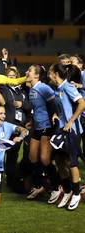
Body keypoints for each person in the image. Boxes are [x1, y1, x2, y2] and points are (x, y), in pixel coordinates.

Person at [48, 63, 85, 210]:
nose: (49, 74)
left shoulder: (68, 87)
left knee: (71, 162)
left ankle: (76, 193)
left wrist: (70, 121)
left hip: (72, 130)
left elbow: (82, 104)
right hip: (61, 130)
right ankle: (68, 190)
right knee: (59, 159)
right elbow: (64, 108)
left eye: (50, 72)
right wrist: (57, 115)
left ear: (56, 73)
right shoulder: (59, 89)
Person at [25, 64, 59, 202]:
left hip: (47, 127)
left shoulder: (43, 88)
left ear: (37, 76)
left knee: (45, 159)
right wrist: (32, 122)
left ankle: (57, 188)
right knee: (33, 157)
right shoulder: (32, 89)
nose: (27, 72)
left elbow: (54, 104)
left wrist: (55, 117)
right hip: (37, 127)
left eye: (30, 71)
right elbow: (37, 108)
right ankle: (41, 185)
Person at [0, 66, 32, 188]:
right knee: (1, 153)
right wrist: (3, 62)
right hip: (6, 125)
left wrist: (22, 104)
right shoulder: (3, 88)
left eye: (13, 76)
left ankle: (10, 179)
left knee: (13, 154)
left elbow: (29, 106)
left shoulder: (22, 91)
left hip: (19, 126)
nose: (11, 78)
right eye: (9, 76)